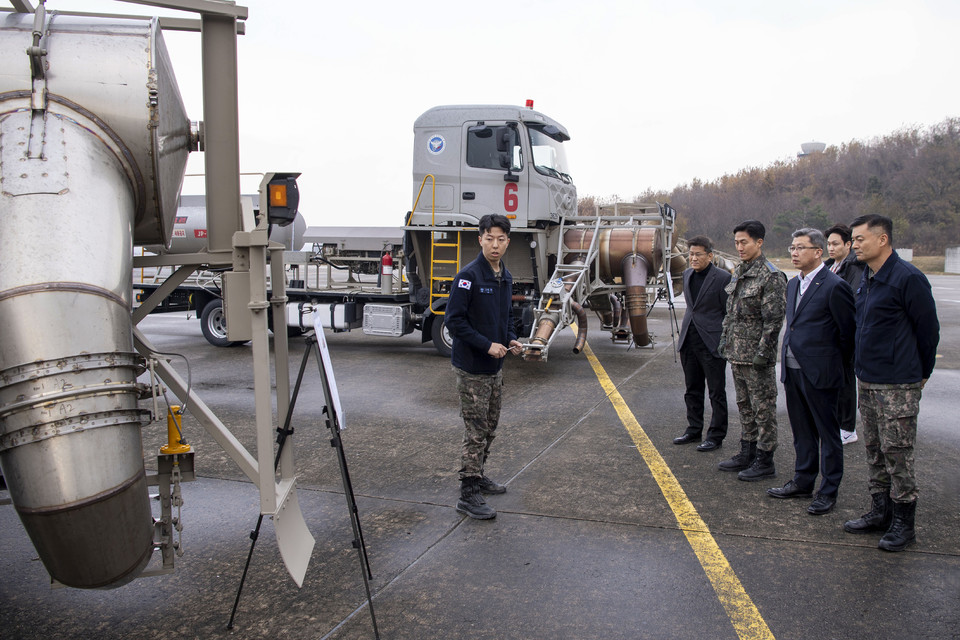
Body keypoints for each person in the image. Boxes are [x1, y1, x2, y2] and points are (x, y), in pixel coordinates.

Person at [842, 214, 939, 552]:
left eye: (859, 239)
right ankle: (880, 512)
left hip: (897, 384)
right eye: (853, 239)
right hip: (868, 381)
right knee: (874, 451)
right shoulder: (867, 278)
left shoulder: (908, 278)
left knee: (898, 454)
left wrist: (920, 373)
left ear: (882, 240)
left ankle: (903, 523)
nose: (854, 245)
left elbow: (928, 332)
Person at [767, 228, 855, 516]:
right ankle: (803, 481)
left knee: (828, 436)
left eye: (801, 248)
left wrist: (834, 369)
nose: (794, 253)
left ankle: (828, 491)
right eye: (792, 247)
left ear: (818, 252)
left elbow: (847, 334)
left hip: (821, 373)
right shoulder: (793, 284)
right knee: (802, 432)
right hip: (793, 371)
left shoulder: (834, 285)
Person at [445, 214, 523, 520]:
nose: (495, 244)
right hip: (472, 368)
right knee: (476, 431)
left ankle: (478, 475)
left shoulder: (505, 276)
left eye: (501, 239)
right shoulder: (469, 276)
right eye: (489, 238)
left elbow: (506, 318)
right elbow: (454, 321)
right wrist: (486, 344)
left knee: (490, 428)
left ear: (507, 242)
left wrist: (512, 339)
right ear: (480, 240)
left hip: (495, 369)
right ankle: (468, 492)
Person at [717, 220, 787, 481]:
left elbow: (773, 321)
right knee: (744, 405)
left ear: (759, 242)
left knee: (763, 409)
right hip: (737, 352)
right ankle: (747, 452)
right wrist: (725, 340)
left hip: (757, 357)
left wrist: (763, 353)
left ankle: (765, 460)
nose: (739, 247)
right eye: (736, 242)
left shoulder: (771, 276)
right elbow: (731, 313)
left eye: (744, 242)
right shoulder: (739, 272)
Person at [673, 236, 732, 452]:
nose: (693, 258)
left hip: (712, 342)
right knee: (692, 389)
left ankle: (716, 435)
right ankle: (693, 429)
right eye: (691, 254)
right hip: (689, 340)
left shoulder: (723, 278)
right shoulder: (687, 274)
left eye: (698, 254)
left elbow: (728, 312)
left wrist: (723, 340)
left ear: (710, 256)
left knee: (716, 392)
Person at [823, 223, 866, 445]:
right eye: (828, 243)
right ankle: (837, 423)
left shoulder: (854, 268)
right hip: (829, 334)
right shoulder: (829, 266)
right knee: (834, 381)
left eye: (835, 243)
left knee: (847, 380)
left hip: (844, 333)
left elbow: (851, 303)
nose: (831, 248)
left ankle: (848, 427)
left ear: (848, 244)